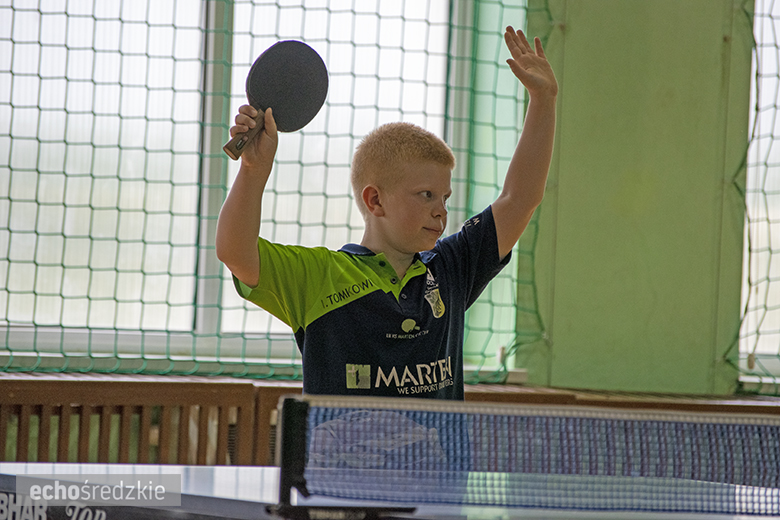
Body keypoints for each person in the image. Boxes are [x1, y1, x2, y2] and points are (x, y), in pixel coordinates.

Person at [216, 26, 557, 399]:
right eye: (426, 195)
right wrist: (253, 170)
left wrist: (543, 100)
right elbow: (235, 252)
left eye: (444, 197)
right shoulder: (320, 278)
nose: (440, 211)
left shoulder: (451, 269)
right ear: (375, 201)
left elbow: (519, 199)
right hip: (343, 461)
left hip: (437, 461)